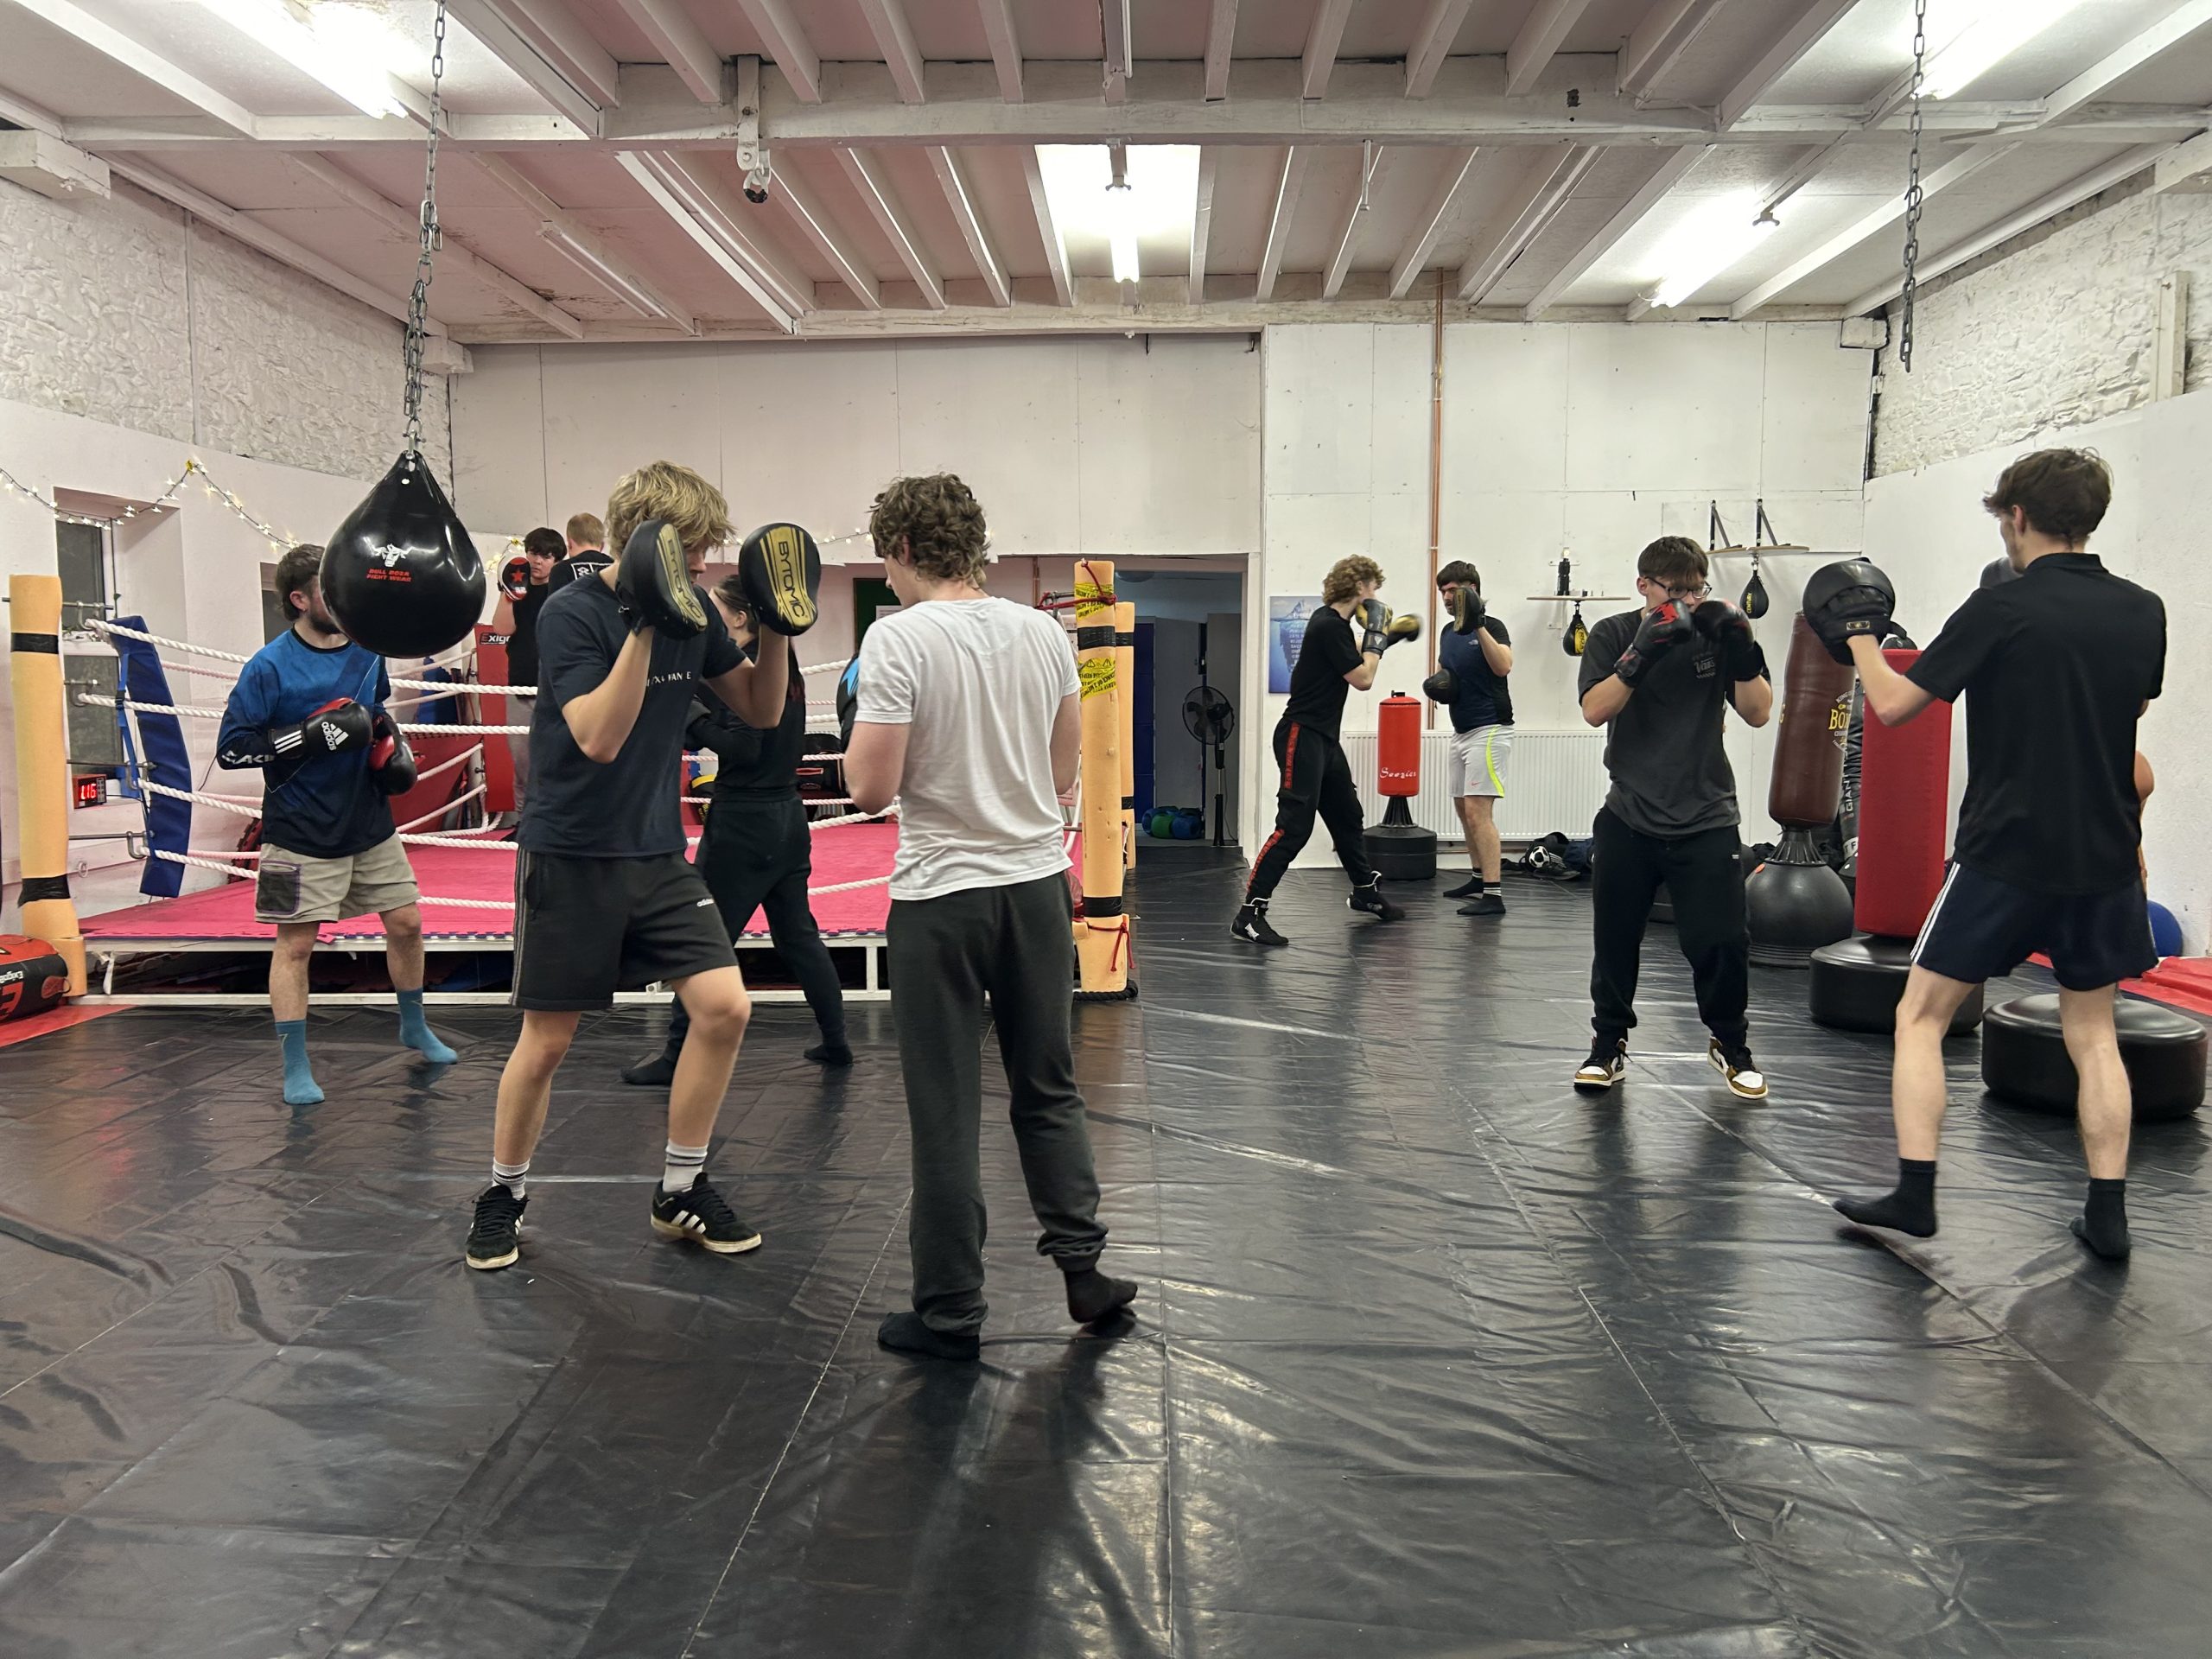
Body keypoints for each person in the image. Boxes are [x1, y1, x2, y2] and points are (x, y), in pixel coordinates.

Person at [464, 463, 807, 1271]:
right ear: (651, 540)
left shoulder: (694, 615)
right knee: (547, 1042)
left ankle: (680, 1187)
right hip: (572, 852)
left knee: (725, 1008)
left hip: (657, 853)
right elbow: (599, 737)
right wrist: (649, 625)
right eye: (688, 553)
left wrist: (783, 626)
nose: (697, 569)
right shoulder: (572, 614)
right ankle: (504, 1194)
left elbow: (757, 710)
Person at [1831, 448, 2165, 1260]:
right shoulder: (2144, 611)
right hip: (2105, 855)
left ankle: (1914, 1194)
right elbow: (2127, 730)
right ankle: (2110, 1214)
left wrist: (1860, 639)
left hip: (2004, 855)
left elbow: (1894, 706)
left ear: (2016, 518)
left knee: (1920, 1014)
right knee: (2093, 1034)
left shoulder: (2000, 610)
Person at [843, 472, 1136, 1360]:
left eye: (883, 560)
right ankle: (1083, 1274)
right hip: (1036, 890)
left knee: (945, 1106)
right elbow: (1058, 773)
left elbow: (868, 789)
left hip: (942, 898)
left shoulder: (897, 639)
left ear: (899, 548)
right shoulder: (1044, 634)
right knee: (1047, 1088)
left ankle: (949, 1310)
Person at [217, 543, 456, 1106]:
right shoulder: (268, 667)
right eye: (332, 589)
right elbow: (232, 751)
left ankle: (414, 1024)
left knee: (406, 923)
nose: (347, 598)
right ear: (300, 599)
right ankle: (295, 1063)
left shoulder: (369, 653)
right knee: (295, 945)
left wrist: (390, 744)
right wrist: (303, 737)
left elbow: (373, 715)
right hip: (295, 830)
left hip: (368, 821)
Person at [621, 575, 851, 1086]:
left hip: (745, 823)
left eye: (719, 614)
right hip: (788, 819)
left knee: (703, 939)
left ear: (742, 619)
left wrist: (692, 712)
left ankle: (676, 1056)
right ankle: (837, 1041)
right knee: (797, 936)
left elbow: (746, 747)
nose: (712, 625)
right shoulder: (778, 666)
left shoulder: (749, 672)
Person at [1574, 536, 1774, 1100]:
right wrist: (1642, 653)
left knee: (1721, 942)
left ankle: (1731, 1045)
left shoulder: (1715, 630)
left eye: (1696, 588)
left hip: (1707, 813)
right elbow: (1595, 710)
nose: (1688, 600)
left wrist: (1745, 648)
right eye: (1676, 590)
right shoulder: (1614, 633)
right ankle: (1607, 1046)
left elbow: (1758, 714)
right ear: (1645, 585)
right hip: (1630, 813)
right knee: (1615, 939)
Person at [1230, 556, 1419, 947]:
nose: (1375, 596)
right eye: (1374, 588)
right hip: (1302, 735)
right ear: (1360, 586)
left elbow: (1354, 654)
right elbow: (1364, 677)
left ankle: (1365, 891)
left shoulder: (1333, 625)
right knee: (1294, 827)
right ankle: (1249, 914)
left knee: (1347, 816)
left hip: (1324, 739)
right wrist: (1380, 641)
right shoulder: (1328, 625)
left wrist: (1389, 637)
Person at [1430, 560, 1515, 916]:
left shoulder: (1492, 626)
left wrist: (1478, 625)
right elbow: (1445, 671)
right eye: (1443, 592)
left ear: (1472, 591)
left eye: (1454, 591)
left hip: (1490, 729)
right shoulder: (1448, 632)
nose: (1448, 598)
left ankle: (1493, 896)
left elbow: (1503, 666)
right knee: (1464, 810)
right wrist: (1437, 686)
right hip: (1461, 730)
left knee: (1480, 812)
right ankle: (1479, 877)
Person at [490, 526, 564, 823]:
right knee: (522, 764)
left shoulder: (564, 590)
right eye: (534, 553)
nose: (538, 561)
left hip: (557, 688)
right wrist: (508, 595)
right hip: (521, 683)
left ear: (556, 560)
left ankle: (558, 823)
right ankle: (525, 823)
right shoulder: (515, 585)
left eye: (546, 556)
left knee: (560, 760)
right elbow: (501, 629)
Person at [549, 511, 609, 590]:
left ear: (570, 544)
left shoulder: (562, 570)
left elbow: (555, 602)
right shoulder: (618, 568)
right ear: (602, 545)